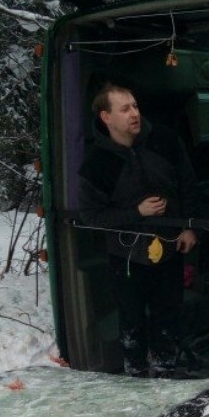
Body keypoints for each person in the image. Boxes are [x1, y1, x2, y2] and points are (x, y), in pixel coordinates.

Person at [78, 79, 199, 377]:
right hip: (126, 255)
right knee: (131, 319)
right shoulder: (96, 165)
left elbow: (188, 185)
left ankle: (166, 371)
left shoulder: (165, 141)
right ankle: (135, 375)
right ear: (106, 117)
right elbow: (91, 217)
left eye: (135, 106)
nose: (134, 113)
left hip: (170, 246)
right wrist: (136, 212)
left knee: (168, 314)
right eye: (124, 109)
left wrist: (189, 227)